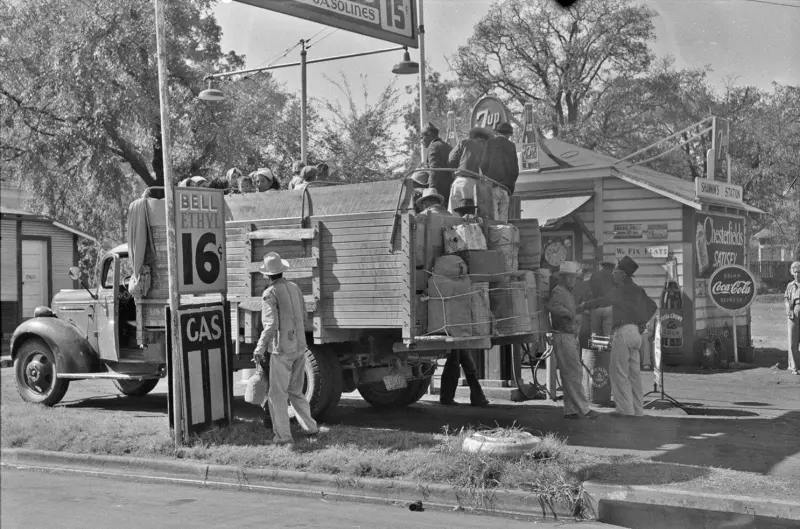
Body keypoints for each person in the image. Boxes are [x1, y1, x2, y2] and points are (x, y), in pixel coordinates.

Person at [253, 252, 319, 444]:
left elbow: (271, 324)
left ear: (267, 274)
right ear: (281, 271)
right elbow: (305, 315)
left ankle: (282, 436)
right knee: (296, 391)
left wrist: (259, 347)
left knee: (277, 394)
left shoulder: (269, 293)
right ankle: (310, 428)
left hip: (282, 350)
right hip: (300, 346)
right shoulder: (294, 287)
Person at [579, 256, 656, 417]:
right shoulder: (637, 289)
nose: (613, 275)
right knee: (634, 374)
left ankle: (624, 410)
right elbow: (653, 306)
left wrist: (584, 305)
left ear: (622, 274)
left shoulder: (623, 289)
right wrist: (642, 322)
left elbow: (604, 300)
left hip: (623, 332)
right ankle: (637, 410)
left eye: (615, 272)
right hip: (635, 333)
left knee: (618, 372)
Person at [547, 261, 598, 419]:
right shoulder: (559, 291)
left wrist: (576, 310)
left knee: (569, 374)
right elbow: (553, 307)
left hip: (567, 335)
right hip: (563, 335)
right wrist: (570, 314)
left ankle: (571, 410)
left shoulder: (566, 292)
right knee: (574, 373)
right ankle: (584, 409)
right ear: (565, 278)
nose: (574, 281)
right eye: (572, 278)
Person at [448, 127, 493, 216]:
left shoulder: (464, 142)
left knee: (454, 215)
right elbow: (487, 169)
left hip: (459, 181)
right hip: (476, 185)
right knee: (471, 215)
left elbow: (451, 160)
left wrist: (455, 172)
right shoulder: (488, 150)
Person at [481, 122, 519, 222]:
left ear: (497, 132)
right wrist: (510, 187)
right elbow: (515, 170)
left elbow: (484, 164)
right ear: (509, 134)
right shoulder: (511, 146)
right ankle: (503, 236)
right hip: (506, 188)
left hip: (493, 186)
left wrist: (487, 179)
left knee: (494, 216)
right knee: (503, 217)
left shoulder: (490, 142)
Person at [421, 122, 453, 208]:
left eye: (422, 137)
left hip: (439, 195)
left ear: (429, 134)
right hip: (450, 192)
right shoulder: (448, 146)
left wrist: (431, 192)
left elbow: (434, 170)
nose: (421, 141)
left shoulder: (433, 147)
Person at [589, 262, 615, 336]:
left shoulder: (595, 275)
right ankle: (607, 347)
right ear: (611, 268)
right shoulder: (613, 277)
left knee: (594, 333)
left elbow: (590, 289)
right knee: (608, 333)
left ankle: (595, 347)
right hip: (608, 307)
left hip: (595, 306)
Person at [785, 261, 800, 375]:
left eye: (799, 272)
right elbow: (786, 298)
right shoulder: (790, 286)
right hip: (793, 312)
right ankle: (794, 367)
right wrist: (788, 308)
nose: (797, 274)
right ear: (792, 273)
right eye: (795, 272)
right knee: (792, 341)